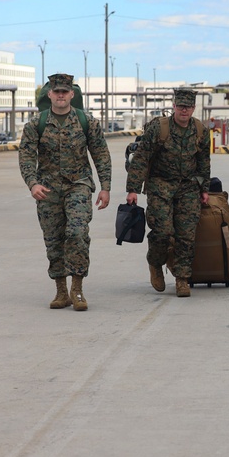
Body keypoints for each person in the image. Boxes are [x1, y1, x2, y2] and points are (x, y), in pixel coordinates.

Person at [19, 73, 111, 311]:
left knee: (77, 233)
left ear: (72, 94)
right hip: (47, 189)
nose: (60, 95)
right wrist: (32, 183)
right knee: (53, 239)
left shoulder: (86, 121)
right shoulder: (35, 124)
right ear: (49, 94)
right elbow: (26, 156)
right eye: (56, 91)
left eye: (64, 92)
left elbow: (101, 154)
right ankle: (61, 290)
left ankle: (77, 289)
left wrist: (105, 187)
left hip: (78, 185)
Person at [126, 87, 211, 298]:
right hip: (160, 186)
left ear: (193, 108)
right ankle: (155, 263)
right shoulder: (159, 128)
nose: (184, 110)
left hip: (188, 187)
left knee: (186, 236)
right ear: (174, 106)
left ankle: (182, 279)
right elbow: (141, 159)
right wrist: (133, 189)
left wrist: (204, 189)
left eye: (188, 107)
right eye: (180, 106)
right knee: (162, 232)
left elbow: (204, 162)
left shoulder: (200, 130)